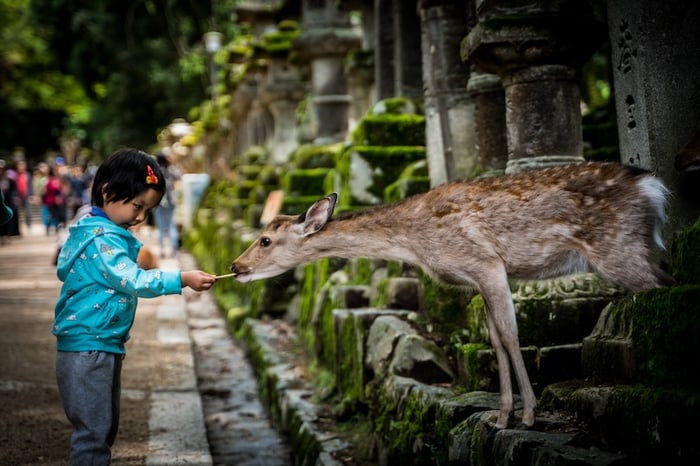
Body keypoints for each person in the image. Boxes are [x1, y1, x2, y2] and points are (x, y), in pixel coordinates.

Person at [52, 148, 217, 465]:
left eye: (148, 210)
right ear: (107, 192)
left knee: (102, 429)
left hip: (100, 343)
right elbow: (134, 280)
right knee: (93, 434)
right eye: (137, 206)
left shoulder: (99, 232)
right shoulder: (102, 240)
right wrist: (180, 278)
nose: (141, 216)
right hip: (89, 348)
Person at [152, 151, 181, 257]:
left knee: (160, 227)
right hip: (170, 200)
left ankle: (162, 250)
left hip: (158, 201)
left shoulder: (155, 170)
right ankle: (174, 249)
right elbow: (179, 175)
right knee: (171, 226)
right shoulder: (170, 169)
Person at [0, 159, 20, 243]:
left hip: (7, 202)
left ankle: (7, 235)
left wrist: (15, 198)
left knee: (9, 218)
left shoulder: (9, 179)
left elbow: (13, 190)